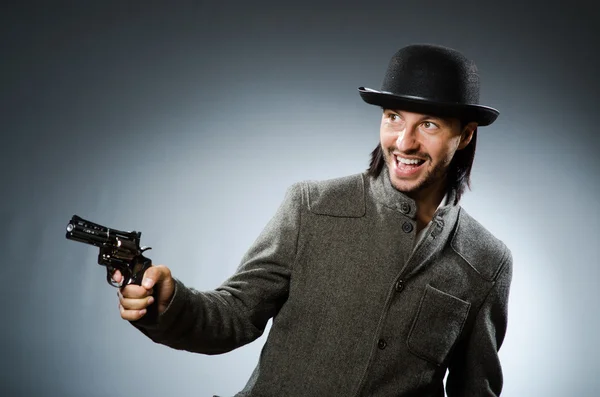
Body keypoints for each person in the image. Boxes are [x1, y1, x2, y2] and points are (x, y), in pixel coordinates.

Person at [115, 44, 513, 396]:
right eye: (393, 117)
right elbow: (234, 315)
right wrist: (169, 303)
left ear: (465, 135)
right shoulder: (311, 206)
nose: (404, 141)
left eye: (428, 124)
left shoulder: (489, 262)